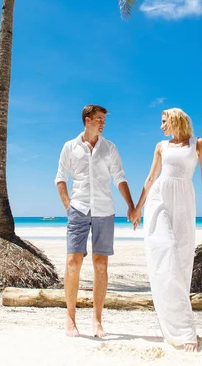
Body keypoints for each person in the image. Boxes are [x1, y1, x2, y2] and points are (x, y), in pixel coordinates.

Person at [131, 108, 202, 352]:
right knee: (166, 252)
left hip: (184, 202)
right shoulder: (161, 146)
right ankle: (185, 331)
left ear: (175, 119)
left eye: (163, 121)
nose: (161, 126)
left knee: (180, 262)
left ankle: (176, 325)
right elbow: (150, 178)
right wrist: (138, 207)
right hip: (160, 199)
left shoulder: (198, 144)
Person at [55, 104, 135, 338]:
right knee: (73, 262)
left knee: (101, 264)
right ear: (87, 120)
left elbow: (120, 177)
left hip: (104, 210)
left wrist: (130, 205)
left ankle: (97, 321)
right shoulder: (70, 147)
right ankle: (70, 319)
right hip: (78, 209)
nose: (102, 123)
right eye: (99, 119)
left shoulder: (109, 148)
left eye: (104, 120)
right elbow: (60, 178)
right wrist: (68, 205)